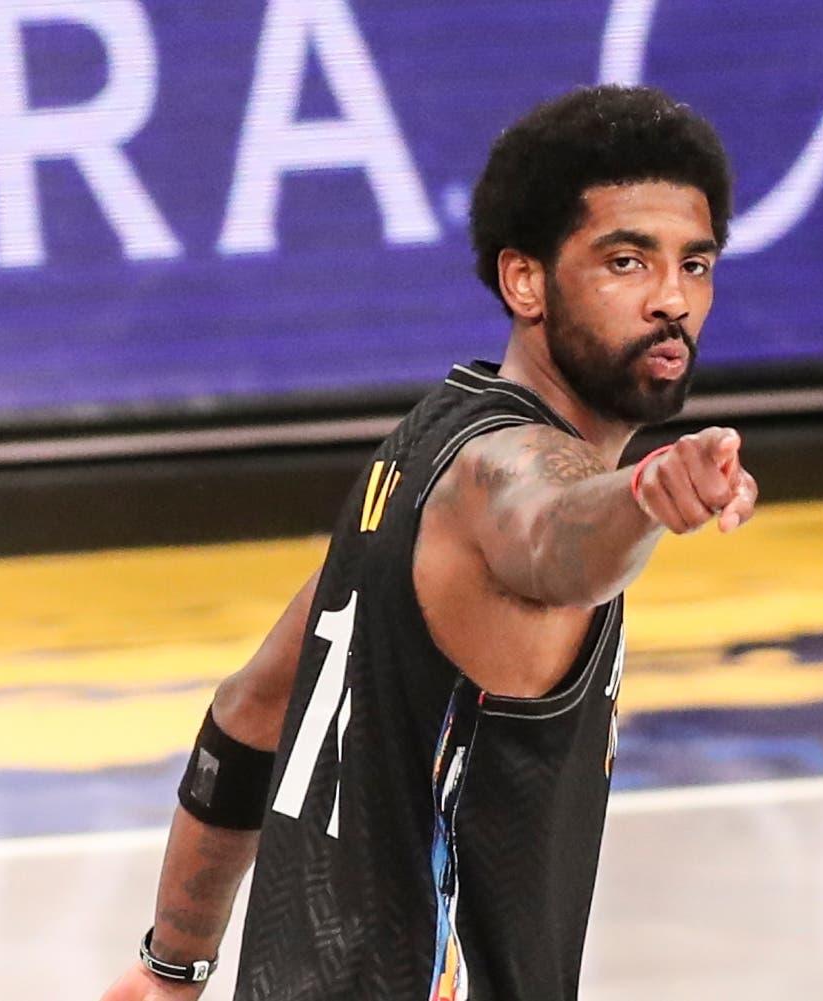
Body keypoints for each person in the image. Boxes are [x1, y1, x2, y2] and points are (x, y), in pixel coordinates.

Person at [101, 83, 756, 1001]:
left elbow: (252, 709)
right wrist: (642, 498)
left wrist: (171, 966)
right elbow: (556, 535)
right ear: (524, 280)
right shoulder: (503, 473)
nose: (671, 301)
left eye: (695, 265)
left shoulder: (414, 456)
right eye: (625, 262)